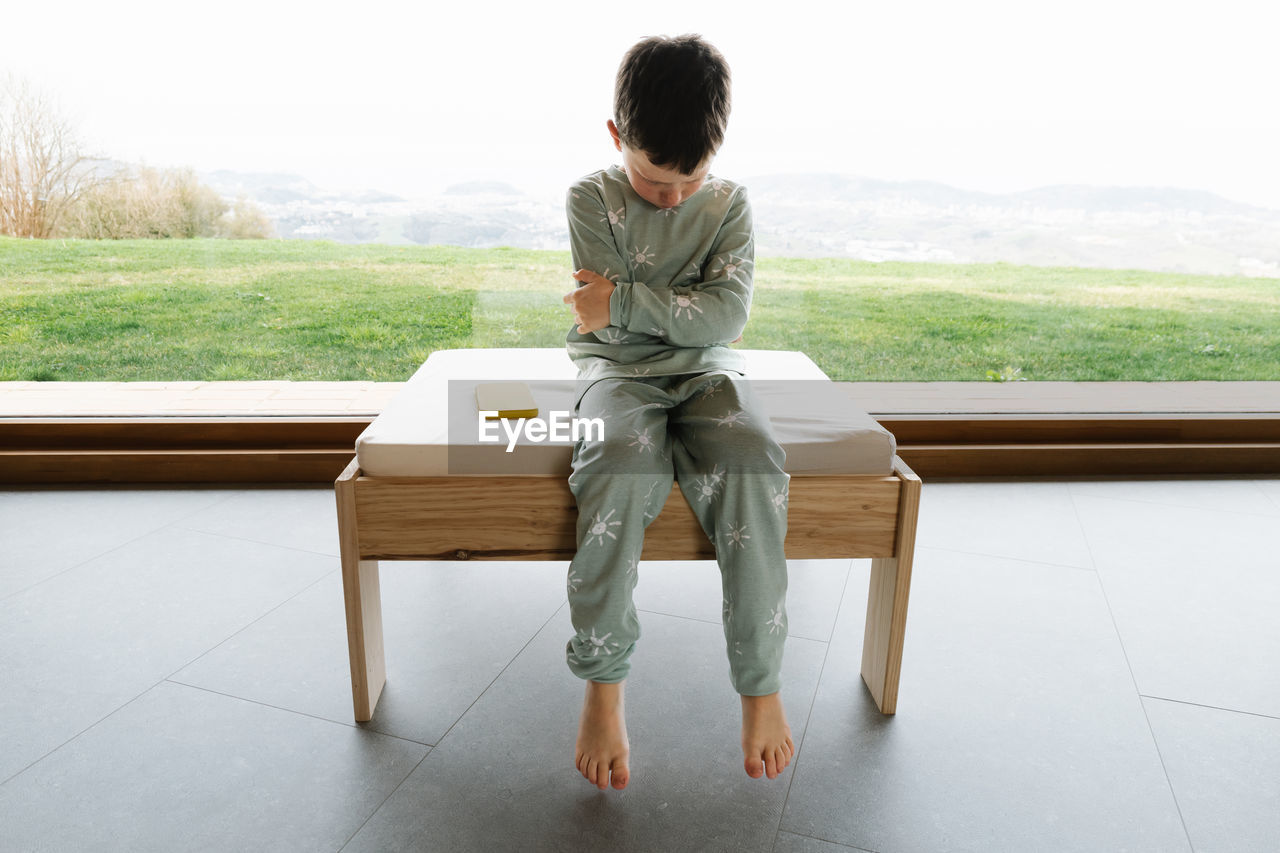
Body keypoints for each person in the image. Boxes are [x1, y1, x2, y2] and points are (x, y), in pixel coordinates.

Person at [560, 34, 794, 792]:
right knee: (618, 462)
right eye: (652, 180)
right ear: (616, 138)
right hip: (617, 375)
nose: (669, 198)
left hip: (707, 375)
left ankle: (761, 686)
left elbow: (725, 318)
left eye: (686, 182)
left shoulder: (732, 204)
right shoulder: (589, 198)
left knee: (753, 457)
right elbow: (608, 333)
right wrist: (664, 312)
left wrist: (624, 298)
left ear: (715, 150)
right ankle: (603, 688)